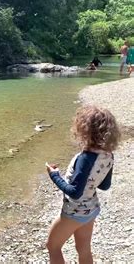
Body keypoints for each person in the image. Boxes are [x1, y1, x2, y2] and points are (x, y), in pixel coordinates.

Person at [45, 105, 121, 264]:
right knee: (84, 249)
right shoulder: (108, 155)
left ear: (84, 130)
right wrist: (91, 180)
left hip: (75, 212)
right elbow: (104, 186)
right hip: (91, 210)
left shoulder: (85, 158)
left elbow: (74, 192)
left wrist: (54, 176)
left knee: (53, 246)